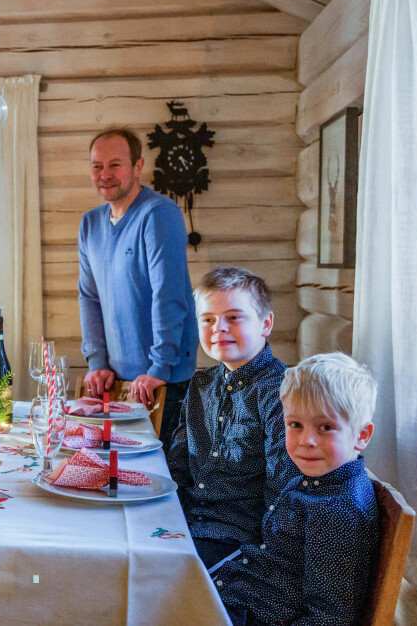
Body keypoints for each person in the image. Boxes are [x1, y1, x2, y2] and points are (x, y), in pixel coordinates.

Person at [213, 352, 379, 625]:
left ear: (361, 435)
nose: (306, 441)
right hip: (243, 592)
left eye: (325, 427)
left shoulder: (338, 512)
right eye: (296, 425)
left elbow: (329, 617)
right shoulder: (316, 478)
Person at [167, 267, 297, 568]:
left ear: (266, 324)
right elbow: (178, 463)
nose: (218, 328)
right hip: (184, 523)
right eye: (208, 320)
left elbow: (282, 489)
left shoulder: (282, 393)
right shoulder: (201, 384)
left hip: (238, 540)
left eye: (233, 317)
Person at [78, 127, 198, 447]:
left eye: (115, 165)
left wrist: (160, 366)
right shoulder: (90, 224)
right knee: (115, 475)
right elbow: (90, 298)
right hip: (117, 380)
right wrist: (98, 363)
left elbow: (168, 295)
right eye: (97, 166)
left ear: (137, 167)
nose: (105, 174)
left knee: (155, 477)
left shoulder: (159, 214)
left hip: (161, 380)